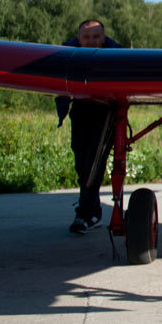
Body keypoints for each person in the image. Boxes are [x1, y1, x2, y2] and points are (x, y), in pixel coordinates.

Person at [58, 19, 124, 234]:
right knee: (80, 164)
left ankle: (84, 215)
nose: (91, 41)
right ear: (79, 39)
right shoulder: (67, 55)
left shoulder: (117, 55)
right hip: (80, 111)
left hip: (105, 113)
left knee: (93, 165)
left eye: (96, 37)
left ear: (103, 38)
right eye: (86, 37)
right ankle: (93, 211)